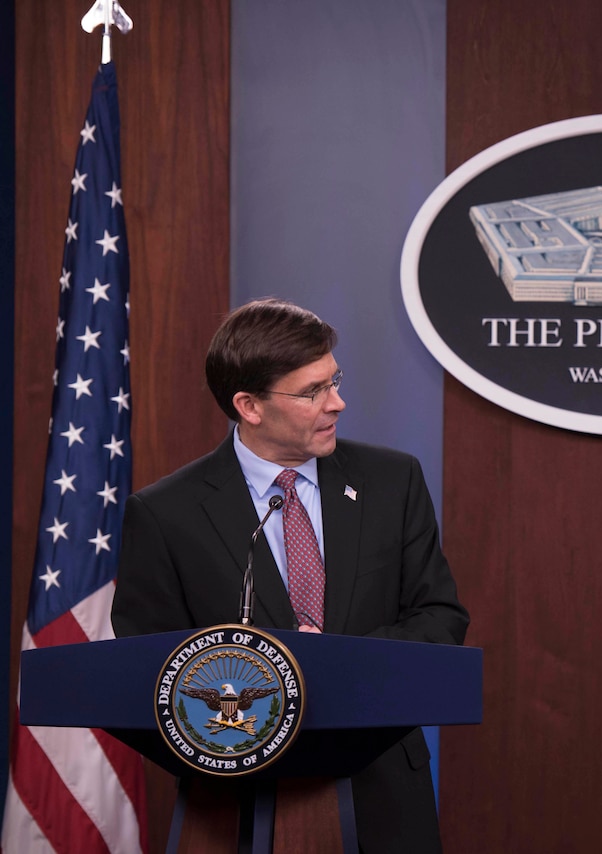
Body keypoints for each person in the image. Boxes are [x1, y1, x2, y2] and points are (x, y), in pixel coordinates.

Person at [112, 298, 469, 853]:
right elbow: (146, 669)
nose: (338, 403)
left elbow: (440, 618)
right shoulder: (165, 514)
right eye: (313, 392)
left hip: (382, 788)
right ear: (249, 406)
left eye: (335, 381)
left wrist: (335, 662)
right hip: (235, 800)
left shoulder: (391, 480)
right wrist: (266, 682)